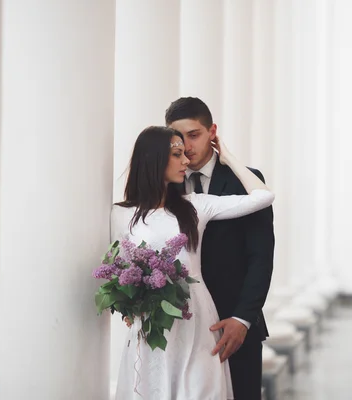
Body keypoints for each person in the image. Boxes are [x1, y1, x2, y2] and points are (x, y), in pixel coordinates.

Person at [112, 126, 274, 399]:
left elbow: (263, 197)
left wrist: (228, 157)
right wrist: (128, 303)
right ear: (153, 160)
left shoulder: (196, 206)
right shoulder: (121, 213)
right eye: (177, 154)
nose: (186, 161)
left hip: (197, 320)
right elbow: (119, 266)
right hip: (152, 325)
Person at [165, 97, 275, 400]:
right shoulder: (165, 186)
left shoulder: (247, 182)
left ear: (212, 131)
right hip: (181, 327)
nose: (187, 145)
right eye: (179, 137)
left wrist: (242, 319)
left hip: (234, 325)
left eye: (195, 134)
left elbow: (260, 256)